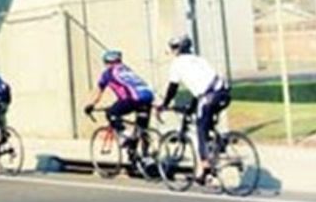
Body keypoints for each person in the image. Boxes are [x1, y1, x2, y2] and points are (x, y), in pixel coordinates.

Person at [155, 35, 231, 183]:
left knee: (200, 128)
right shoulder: (199, 59)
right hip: (223, 93)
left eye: (173, 48)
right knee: (207, 120)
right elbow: (202, 86)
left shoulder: (177, 64)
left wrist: (164, 104)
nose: (172, 51)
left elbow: (173, 88)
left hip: (209, 96)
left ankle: (205, 167)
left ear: (178, 49)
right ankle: (219, 143)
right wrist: (191, 107)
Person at [82, 49, 154, 152]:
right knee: (141, 129)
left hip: (133, 98)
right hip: (148, 97)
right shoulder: (127, 69)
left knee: (111, 113)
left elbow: (98, 91)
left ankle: (125, 132)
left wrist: (91, 105)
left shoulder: (108, 73)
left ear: (107, 62)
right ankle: (145, 156)